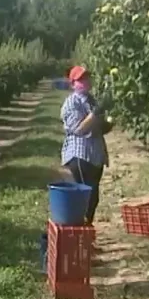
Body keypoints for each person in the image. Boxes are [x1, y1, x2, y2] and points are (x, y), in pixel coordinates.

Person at [60, 66, 113, 226]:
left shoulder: (92, 100)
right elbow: (79, 128)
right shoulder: (71, 103)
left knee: (93, 197)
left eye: (87, 77)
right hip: (80, 155)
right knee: (87, 197)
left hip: (95, 155)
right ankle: (80, 232)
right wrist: (96, 112)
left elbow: (97, 126)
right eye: (81, 79)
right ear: (73, 84)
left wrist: (106, 124)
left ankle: (85, 230)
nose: (86, 81)